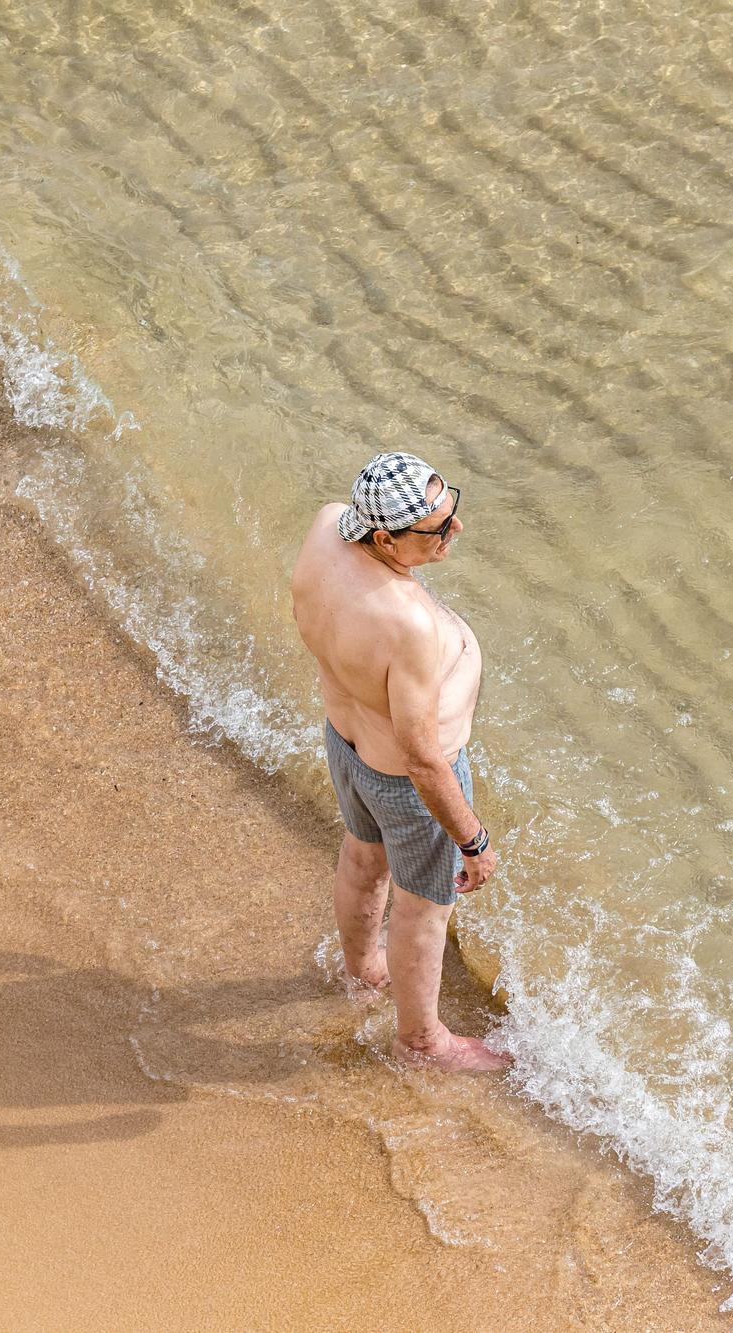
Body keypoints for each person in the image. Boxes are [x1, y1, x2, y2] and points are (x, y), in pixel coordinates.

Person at [290, 452, 510, 1072]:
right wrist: (473, 839)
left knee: (363, 858)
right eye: (437, 529)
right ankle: (423, 1043)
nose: (454, 532)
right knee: (422, 907)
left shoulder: (328, 526)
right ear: (384, 537)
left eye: (451, 513)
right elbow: (422, 756)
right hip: (404, 780)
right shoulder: (405, 623)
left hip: (346, 739)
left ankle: (362, 974)